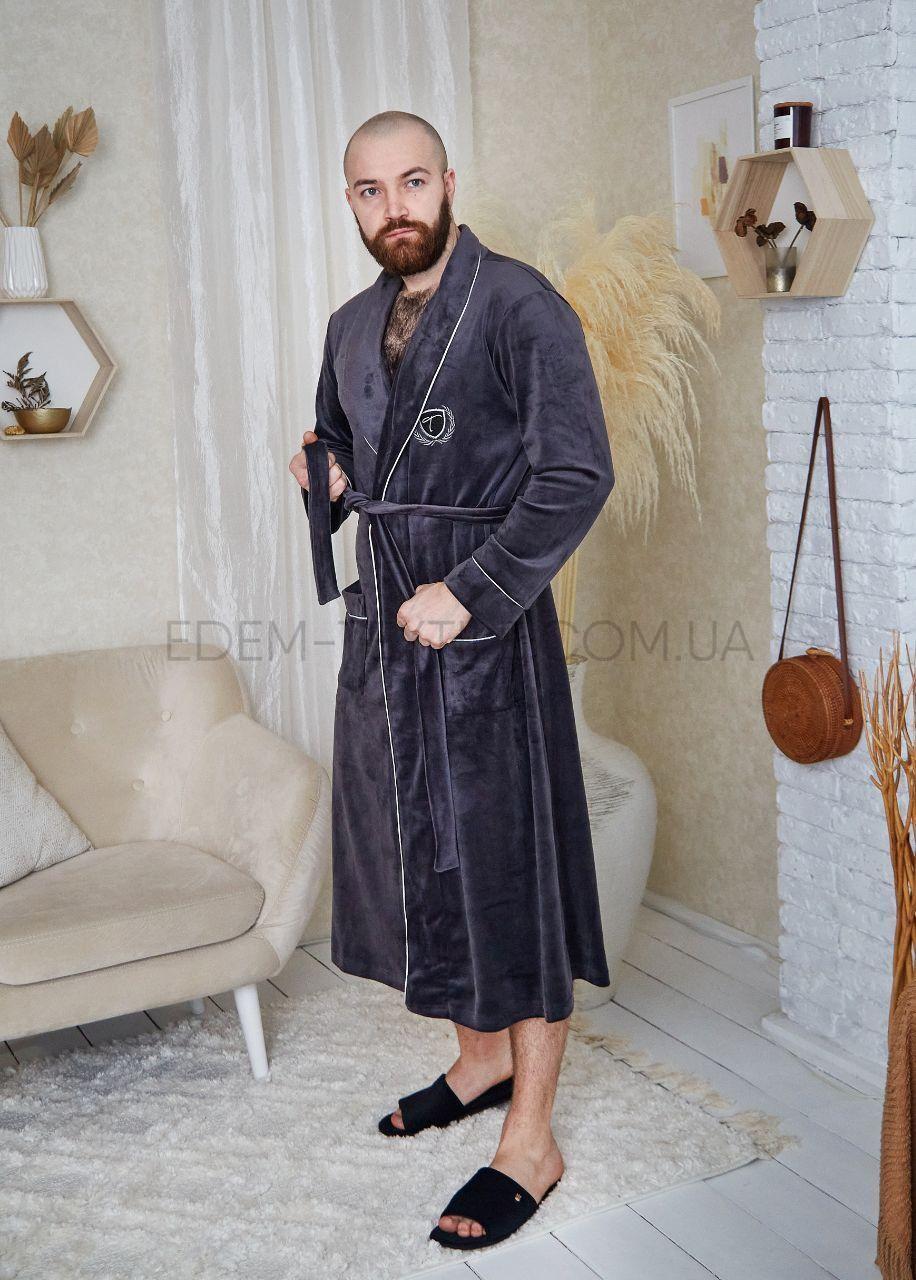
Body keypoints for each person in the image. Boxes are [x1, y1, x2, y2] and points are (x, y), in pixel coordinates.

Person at [289, 109, 616, 1251]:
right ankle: (479, 1061)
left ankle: (531, 1138)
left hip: (488, 638)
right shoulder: (349, 325)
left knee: (508, 870)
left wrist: (472, 589)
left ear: (449, 182)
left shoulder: (521, 306)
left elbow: (576, 472)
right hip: (387, 628)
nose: (395, 208)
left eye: (412, 182)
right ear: (351, 203)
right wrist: (327, 475)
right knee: (418, 848)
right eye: (370, 190)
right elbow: (339, 443)